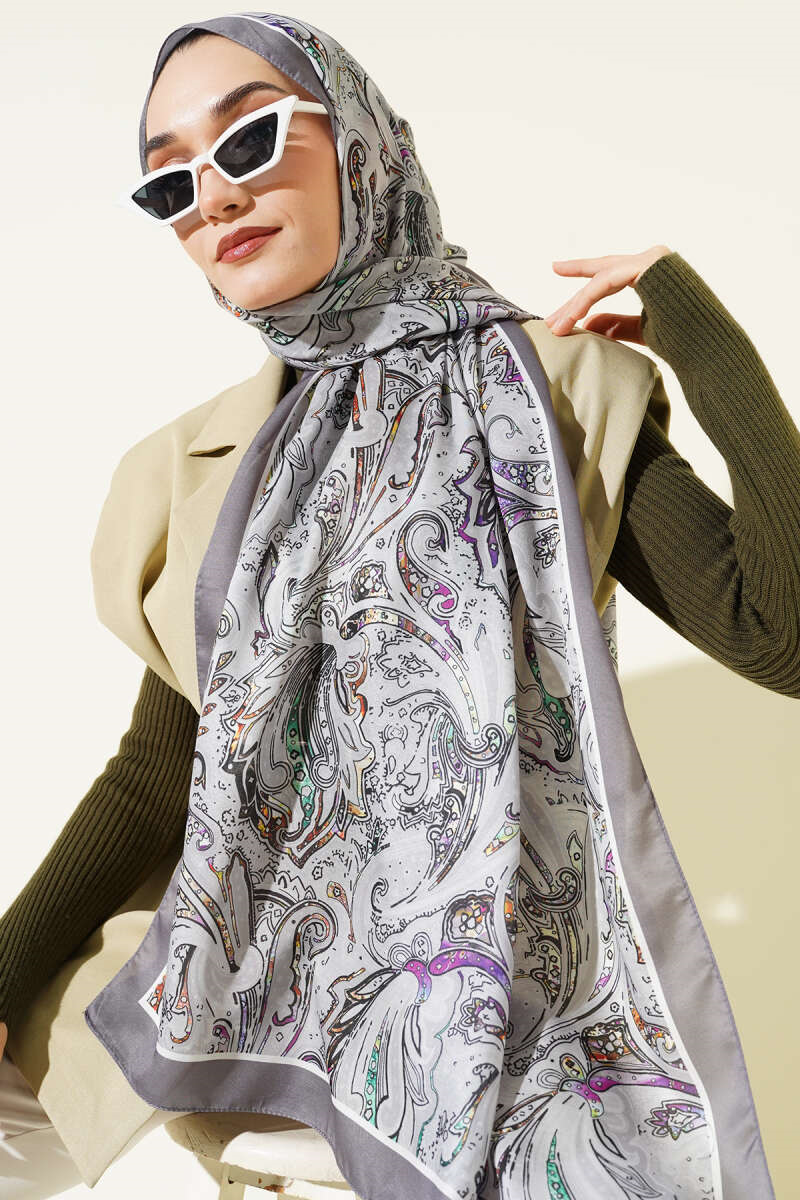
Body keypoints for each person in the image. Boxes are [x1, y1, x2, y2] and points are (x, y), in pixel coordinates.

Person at [1, 13, 797, 1196]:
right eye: (170, 181)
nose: (214, 197)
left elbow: (779, 636)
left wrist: (697, 334)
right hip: (245, 1047)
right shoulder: (189, 471)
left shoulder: (556, 393)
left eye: (249, 138)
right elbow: (160, 772)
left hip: (509, 1057)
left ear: (363, 143)